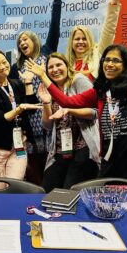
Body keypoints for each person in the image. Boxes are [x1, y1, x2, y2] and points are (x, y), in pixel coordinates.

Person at [25, 45, 127, 183]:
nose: (109, 64)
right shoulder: (101, 90)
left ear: (126, 65)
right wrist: (43, 76)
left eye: (115, 60)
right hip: (112, 156)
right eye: (106, 60)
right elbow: (66, 102)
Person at [9, 0, 70, 185]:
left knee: (56, 162)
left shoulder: (46, 52)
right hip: (31, 122)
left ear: (34, 40)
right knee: (35, 169)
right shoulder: (16, 67)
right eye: (19, 41)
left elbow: (55, 27)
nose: (22, 42)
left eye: (25, 39)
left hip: (52, 113)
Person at [37, 53, 100, 192]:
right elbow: (47, 125)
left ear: (67, 66)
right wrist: (46, 103)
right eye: (50, 67)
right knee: (48, 190)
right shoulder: (49, 88)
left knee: (69, 192)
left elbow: (94, 113)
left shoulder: (78, 80)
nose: (55, 69)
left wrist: (69, 110)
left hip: (82, 148)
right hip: (60, 151)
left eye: (58, 65)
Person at [0, 49, 42, 182]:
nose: (3, 67)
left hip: (18, 146)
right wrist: (18, 109)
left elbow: (32, 108)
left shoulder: (16, 84)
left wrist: (28, 82)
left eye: (4, 62)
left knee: (15, 185)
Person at [66, 0, 127, 80]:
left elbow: (109, 29)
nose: (81, 41)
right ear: (71, 42)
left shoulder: (98, 53)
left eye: (84, 38)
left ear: (89, 40)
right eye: (77, 39)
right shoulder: (66, 64)